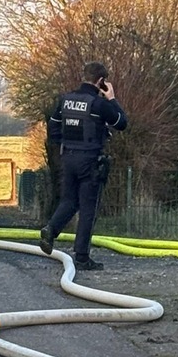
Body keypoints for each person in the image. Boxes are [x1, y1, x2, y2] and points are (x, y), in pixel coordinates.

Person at [39, 61, 127, 271]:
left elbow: (52, 127)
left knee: (69, 200)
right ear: (101, 81)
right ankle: (81, 257)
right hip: (89, 160)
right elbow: (122, 122)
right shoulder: (99, 104)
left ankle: (51, 229)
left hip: (67, 157)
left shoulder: (65, 100)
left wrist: (65, 144)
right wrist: (112, 98)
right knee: (88, 208)